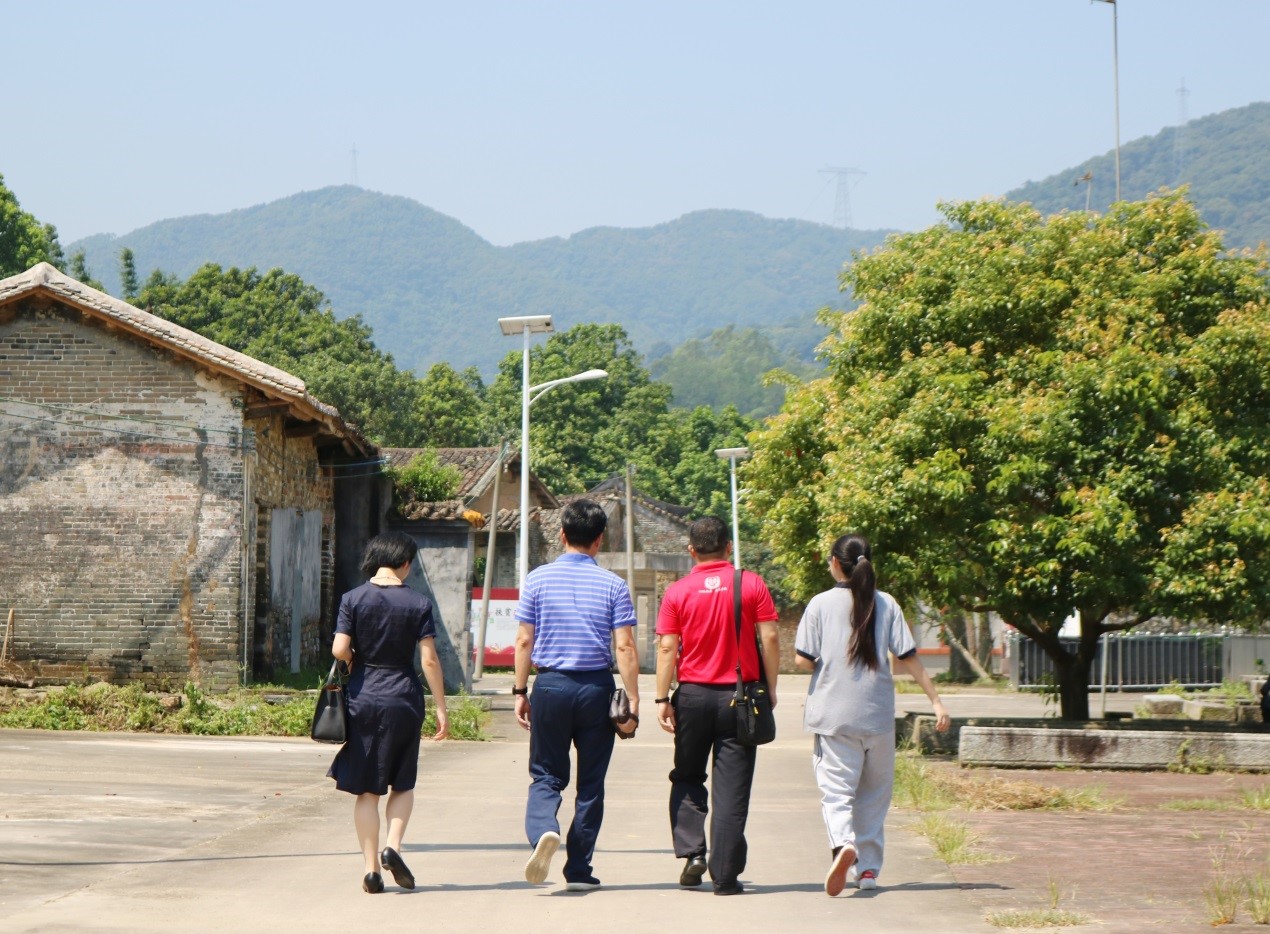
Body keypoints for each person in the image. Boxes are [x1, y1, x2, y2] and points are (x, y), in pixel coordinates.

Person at [794, 533, 950, 897]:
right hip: (877, 716)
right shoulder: (888, 604)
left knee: (836, 793)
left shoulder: (819, 604)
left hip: (834, 716)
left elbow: (803, 658)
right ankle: (867, 871)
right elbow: (909, 656)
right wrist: (937, 702)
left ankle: (844, 844)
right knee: (874, 795)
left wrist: (826, 664)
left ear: (835, 562)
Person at [513, 498, 640, 891]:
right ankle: (579, 870)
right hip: (596, 690)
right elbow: (625, 648)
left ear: (562, 535)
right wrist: (632, 700)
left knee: (546, 775)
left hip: (550, 686)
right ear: (599, 540)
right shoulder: (614, 585)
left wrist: (520, 690)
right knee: (591, 784)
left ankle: (544, 832)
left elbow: (523, 640)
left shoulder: (536, 580)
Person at [654, 516, 780, 896]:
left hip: (691, 696)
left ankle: (693, 853)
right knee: (732, 789)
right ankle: (724, 876)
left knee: (688, 775)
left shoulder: (678, 591)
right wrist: (770, 689)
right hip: (739, 698)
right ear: (728, 547)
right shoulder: (751, 583)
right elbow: (771, 637)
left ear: (691, 550)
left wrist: (662, 698)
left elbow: (666, 647)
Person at [327, 531, 449, 893]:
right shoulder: (418, 603)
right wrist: (441, 707)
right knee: (402, 780)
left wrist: (354, 661)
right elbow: (428, 659)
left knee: (367, 789)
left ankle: (370, 871)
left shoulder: (353, 598)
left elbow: (339, 649)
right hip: (403, 697)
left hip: (363, 697)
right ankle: (392, 848)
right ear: (405, 562)